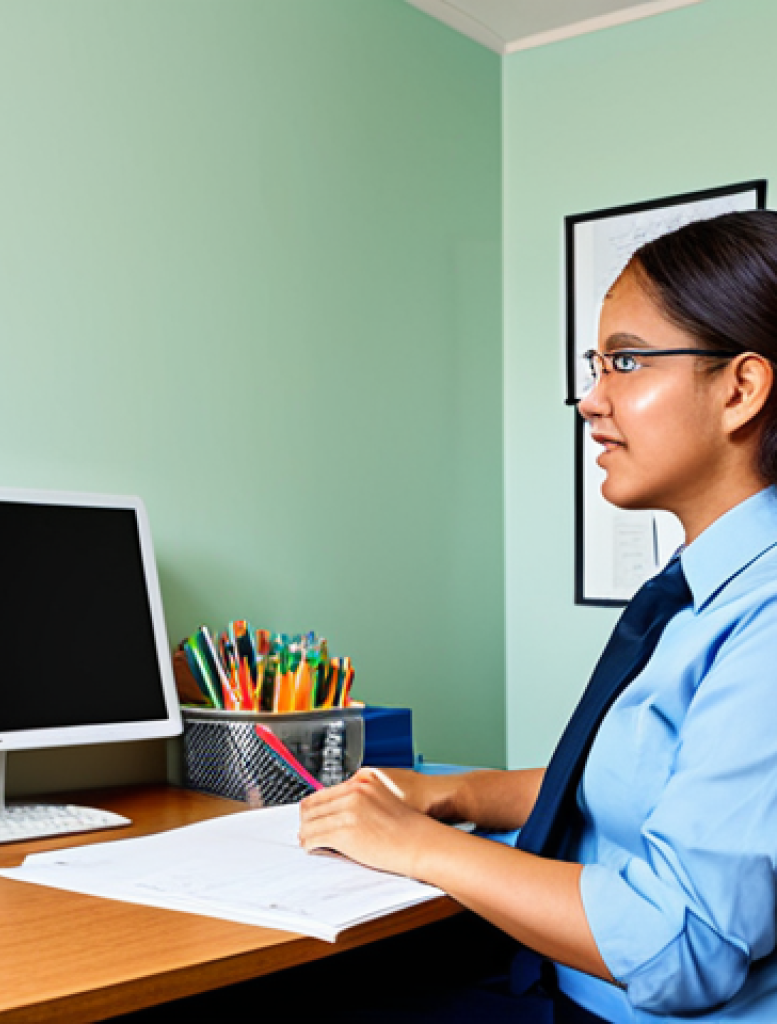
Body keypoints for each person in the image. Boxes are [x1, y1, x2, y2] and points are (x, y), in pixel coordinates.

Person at [299, 209, 777, 1022]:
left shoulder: (763, 621)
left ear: (740, 389)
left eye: (626, 361)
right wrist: (456, 795)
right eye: (596, 365)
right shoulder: (705, 589)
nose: (590, 401)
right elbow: (643, 786)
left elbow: (681, 945)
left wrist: (415, 845)